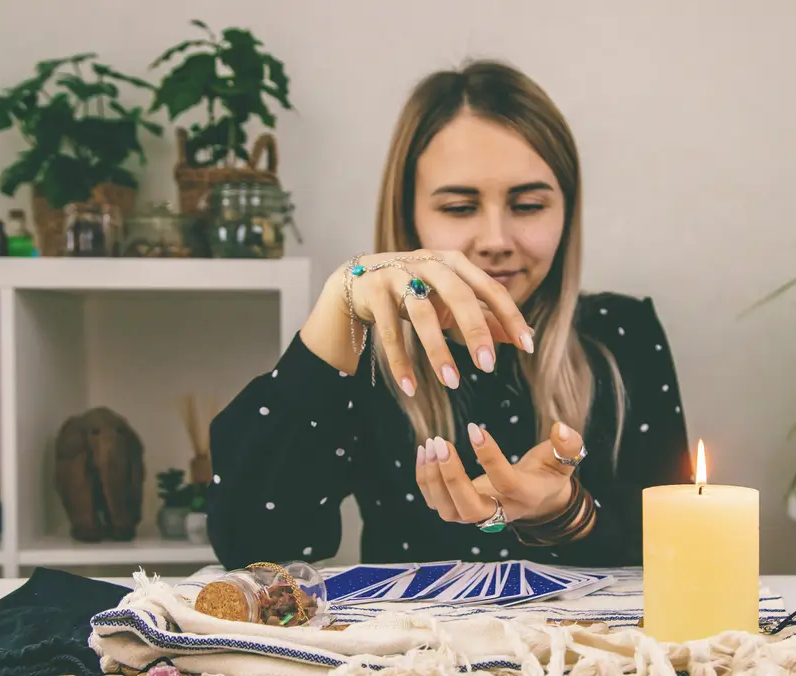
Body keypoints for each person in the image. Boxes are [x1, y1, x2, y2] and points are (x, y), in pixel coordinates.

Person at [207, 59, 691, 570]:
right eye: (460, 208)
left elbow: (683, 545)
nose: (496, 241)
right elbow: (255, 549)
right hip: (415, 649)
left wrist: (566, 510)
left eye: (528, 205)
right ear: (408, 215)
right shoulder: (365, 352)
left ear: (566, 212)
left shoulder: (619, 334)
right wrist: (338, 308)